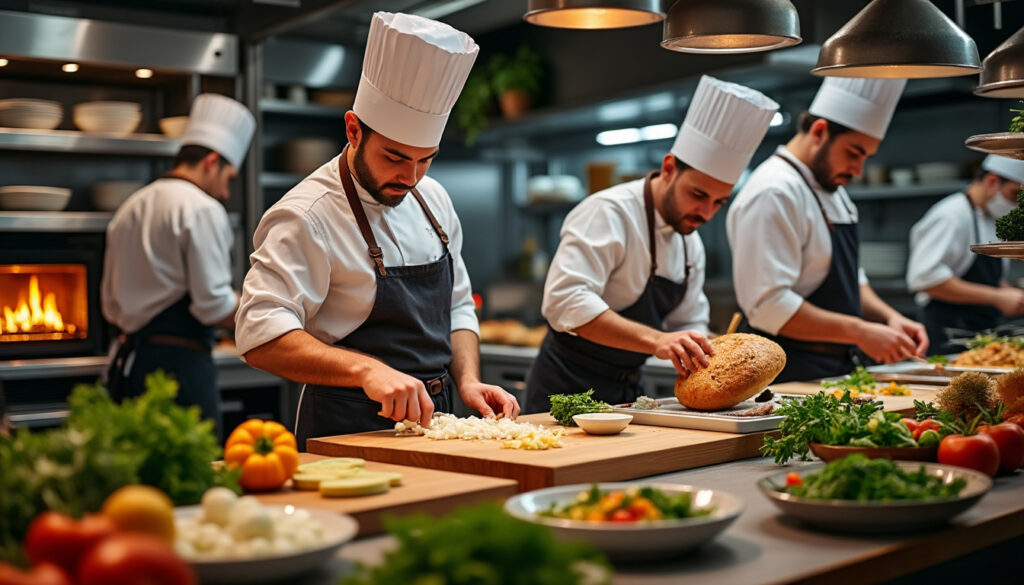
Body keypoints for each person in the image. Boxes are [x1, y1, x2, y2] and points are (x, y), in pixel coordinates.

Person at [235, 12, 519, 445]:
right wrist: (366, 369)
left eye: (426, 159)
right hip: (347, 432)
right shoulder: (306, 215)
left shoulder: (435, 199)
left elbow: (458, 307)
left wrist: (468, 380)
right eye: (395, 157)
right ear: (353, 129)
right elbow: (259, 333)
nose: (411, 176)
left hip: (437, 425)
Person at [523, 76, 779, 413]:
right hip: (564, 391)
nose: (705, 213)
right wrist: (657, 341)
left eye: (719, 202)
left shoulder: (690, 243)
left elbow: (689, 322)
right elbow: (565, 302)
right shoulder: (608, 213)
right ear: (669, 168)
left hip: (629, 391)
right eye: (698, 194)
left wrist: (712, 359)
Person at [727, 77, 928, 383]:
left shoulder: (832, 190)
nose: (858, 171)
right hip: (787, 374)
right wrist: (860, 331)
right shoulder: (773, 192)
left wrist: (889, 317)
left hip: (834, 369)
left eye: (866, 158)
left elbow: (851, 281)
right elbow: (769, 307)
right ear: (820, 132)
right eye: (854, 153)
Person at [102, 93, 255, 439]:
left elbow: (110, 306)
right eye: (229, 178)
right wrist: (264, 314)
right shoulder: (201, 208)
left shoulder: (130, 207)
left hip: (128, 367)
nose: (226, 192)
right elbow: (212, 304)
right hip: (178, 373)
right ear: (211, 161)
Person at [908, 155, 1024, 354]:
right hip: (949, 338)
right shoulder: (951, 216)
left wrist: (1012, 294)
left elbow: (991, 278)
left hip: (983, 335)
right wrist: (998, 297)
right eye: (1015, 195)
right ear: (992, 182)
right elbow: (925, 279)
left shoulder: (993, 219)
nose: (1017, 205)